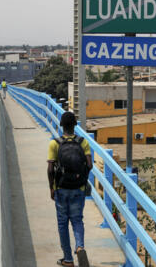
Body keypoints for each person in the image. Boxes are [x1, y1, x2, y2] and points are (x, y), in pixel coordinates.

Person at [47, 112, 92, 267]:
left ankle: (68, 259)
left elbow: (50, 169)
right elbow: (90, 165)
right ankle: (79, 247)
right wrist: (82, 180)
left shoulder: (55, 144)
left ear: (62, 126)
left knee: (62, 223)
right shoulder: (83, 142)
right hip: (78, 188)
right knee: (77, 219)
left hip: (61, 188)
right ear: (74, 125)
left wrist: (52, 188)